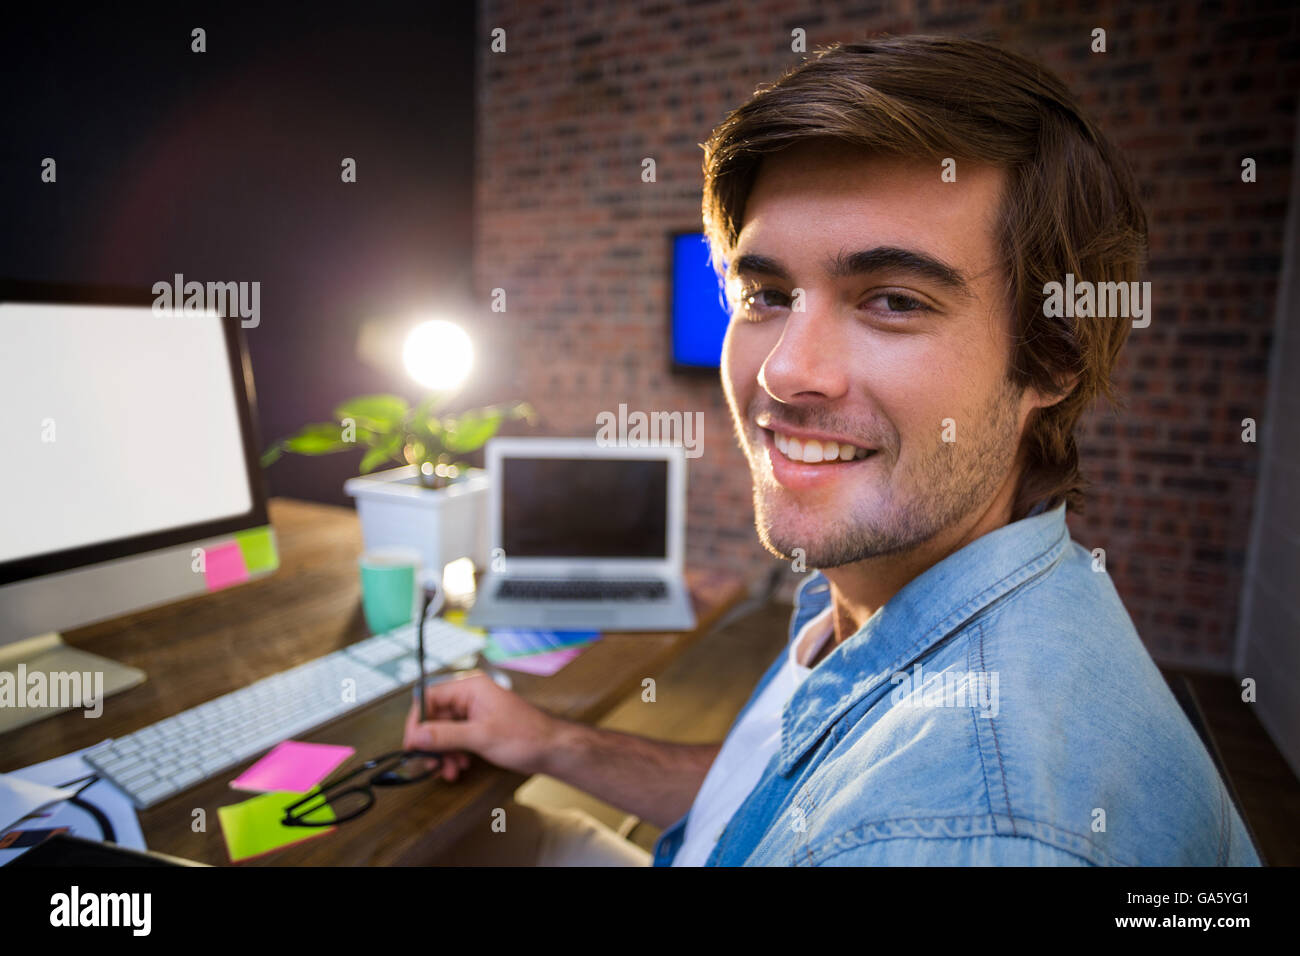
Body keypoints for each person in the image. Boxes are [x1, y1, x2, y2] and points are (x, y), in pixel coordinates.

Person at [405, 35, 1261, 866]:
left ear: (1053, 357)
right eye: (766, 294)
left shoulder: (970, 828)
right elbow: (778, 803)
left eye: (892, 300)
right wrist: (550, 742)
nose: (784, 372)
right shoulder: (896, 583)